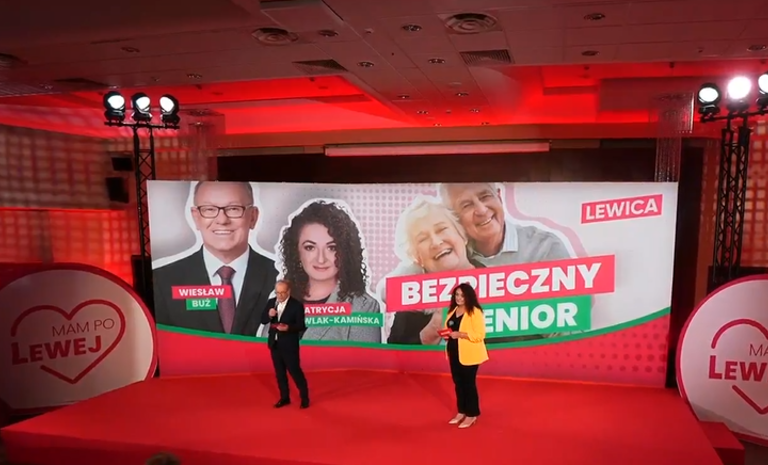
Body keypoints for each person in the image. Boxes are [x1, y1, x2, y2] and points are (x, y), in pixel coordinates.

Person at [153, 181, 278, 335]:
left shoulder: (284, 276)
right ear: (196, 217)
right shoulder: (162, 281)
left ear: (253, 217)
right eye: (209, 209)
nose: (222, 220)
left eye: (233, 209)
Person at [274, 200, 381, 342]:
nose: (321, 259)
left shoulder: (363, 307)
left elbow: (364, 357)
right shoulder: (281, 300)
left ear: (345, 252)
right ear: (296, 252)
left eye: (332, 248)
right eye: (310, 247)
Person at [381, 196, 482, 345]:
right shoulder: (411, 303)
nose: (436, 242)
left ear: (463, 235)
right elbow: (396, 355)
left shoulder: (500, 283)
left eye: (441, 229)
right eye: (423, 239)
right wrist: (432, 330)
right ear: (417, 257)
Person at [443, 282, 488, 429]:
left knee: (469, 384)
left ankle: (472, 414)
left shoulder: (474, 311)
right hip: (454, 352)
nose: (459, 298)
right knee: (458, 383)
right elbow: (450, 328)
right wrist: (446, 334)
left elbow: (480, 335)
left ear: (468, 296)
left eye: (462, 295)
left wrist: (461, 334)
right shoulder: (452, 310)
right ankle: (461, 411)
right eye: (456, 295)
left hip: (470, 354)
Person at [261, 280, 310, 409]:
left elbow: (301, 326)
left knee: (295, 372)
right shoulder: (271, 302)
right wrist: (269, 315)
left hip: (289, 345)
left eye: (283, 293)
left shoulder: (296, 305)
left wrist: (288, 328)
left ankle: (304, 398)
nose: (280, 295)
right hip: (275, 344)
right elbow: (263, 320)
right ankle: (284, 398)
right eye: (278, 293)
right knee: (280, 373)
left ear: (288, 291)